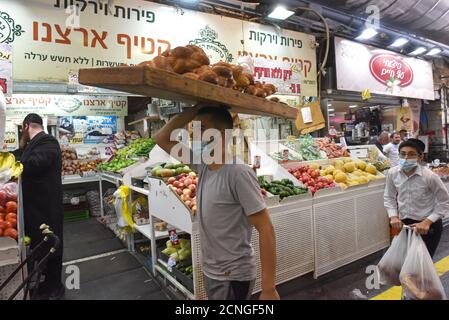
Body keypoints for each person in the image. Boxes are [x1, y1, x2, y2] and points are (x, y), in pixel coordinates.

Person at [154, 105, 280, 300]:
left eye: (202, 129)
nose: (196, 136)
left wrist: (269, 288)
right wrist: (193, 110)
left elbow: (266, 229)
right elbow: (161, 138)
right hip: (212, 270)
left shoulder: (238, 173)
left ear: (221, 134)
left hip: (233, 275)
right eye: (194, 130)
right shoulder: (202, 165)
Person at [13, 113, 64, 300]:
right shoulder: (32, 145)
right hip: (36, 208)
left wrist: (17, 164)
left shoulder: (48, 141)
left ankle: (55, 287)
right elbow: (20, 155)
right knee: (41, 247)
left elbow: (36, 163)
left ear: (26, 126)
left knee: (52, 244)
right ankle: (46, 282)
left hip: (47, 207)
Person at [384, 138, 449, 258]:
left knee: (421, 267)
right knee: (404, 264)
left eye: (411, 154)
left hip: (428, 226)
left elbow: (445, 201)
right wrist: (393, 216)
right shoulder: (392, 173)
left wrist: (427, 222)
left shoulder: (430, 176)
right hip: (404, 225)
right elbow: (389, 196)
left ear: (420, 157)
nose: (406, 158)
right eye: (403, 154)